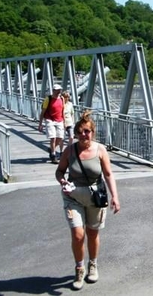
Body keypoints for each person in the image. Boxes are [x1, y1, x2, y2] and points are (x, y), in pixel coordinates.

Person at [55, 110, 120, 290]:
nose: (85, 134)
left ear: (93, 132)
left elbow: (108, 174)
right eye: (81, 131)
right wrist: (62, 180)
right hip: (73, 197)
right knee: (78, 234)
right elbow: (59, 171)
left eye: (88, 131)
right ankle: (79, 268)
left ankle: (93, 264)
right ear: (76, 133)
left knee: (92, 234)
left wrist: (115, 196)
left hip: (94, 197)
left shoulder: (100, 150)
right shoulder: (70, 150)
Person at [38, 84, 65, 164]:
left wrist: (64, 122)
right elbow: (43, 112)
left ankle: (51, 148)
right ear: (53, 90)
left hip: (59, 120)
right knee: (52, 137)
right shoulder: (48, 99)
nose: (59, 91)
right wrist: (40, 123)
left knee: (60, 137)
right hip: (50, 120)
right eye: (57, 90)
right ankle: (53, 155)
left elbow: (62, 110)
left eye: (60, 89)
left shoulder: (62, 98)